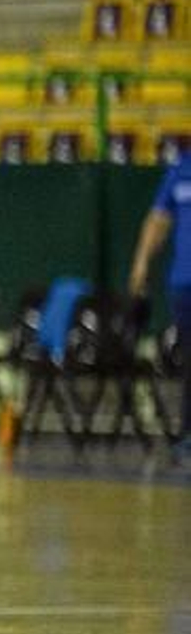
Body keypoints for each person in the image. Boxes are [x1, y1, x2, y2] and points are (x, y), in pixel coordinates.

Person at [127, 150, 191, 454]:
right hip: (183, 283)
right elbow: (158, 219)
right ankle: (187, 433)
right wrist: (141, 261)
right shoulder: (180, 170)